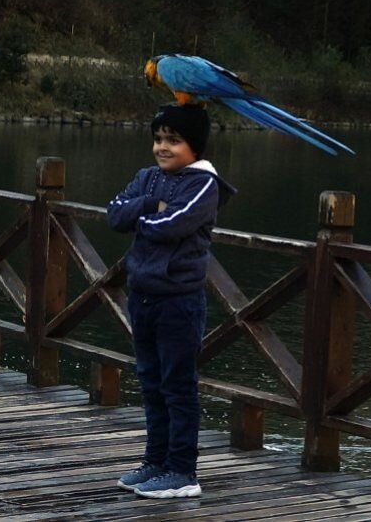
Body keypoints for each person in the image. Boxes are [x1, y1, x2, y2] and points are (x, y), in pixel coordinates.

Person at [106, 103, 234, 500]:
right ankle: (156, 462)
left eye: (174, 140)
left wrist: (141, 217)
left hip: (179, 302)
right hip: (142, 296)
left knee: (177, 387)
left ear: (194, 146)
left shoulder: (204, 185)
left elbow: (171, 225)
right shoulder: (147, 178)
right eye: (158, 138)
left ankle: (182, 471)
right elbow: (114, 214)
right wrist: (148, 205)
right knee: (151, 383)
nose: (163, 147)